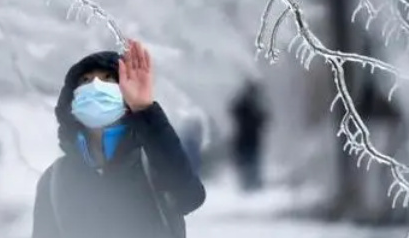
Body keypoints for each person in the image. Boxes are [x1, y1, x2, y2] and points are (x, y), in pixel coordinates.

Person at [31, 39, 205, 238]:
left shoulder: (153, 161)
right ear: (71, 98)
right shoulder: (56, 178)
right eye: (86, 81)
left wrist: (145, 111)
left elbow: (189, 197)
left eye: (108, 79)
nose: (96, 86)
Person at [229, 81, 267, 192]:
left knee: (249, 161)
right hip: (248, 138)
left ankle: (249, 184)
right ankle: (250, 184)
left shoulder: (247, 104)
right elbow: (262, 119)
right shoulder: (250, 105)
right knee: (249, 161)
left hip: (247, 139)